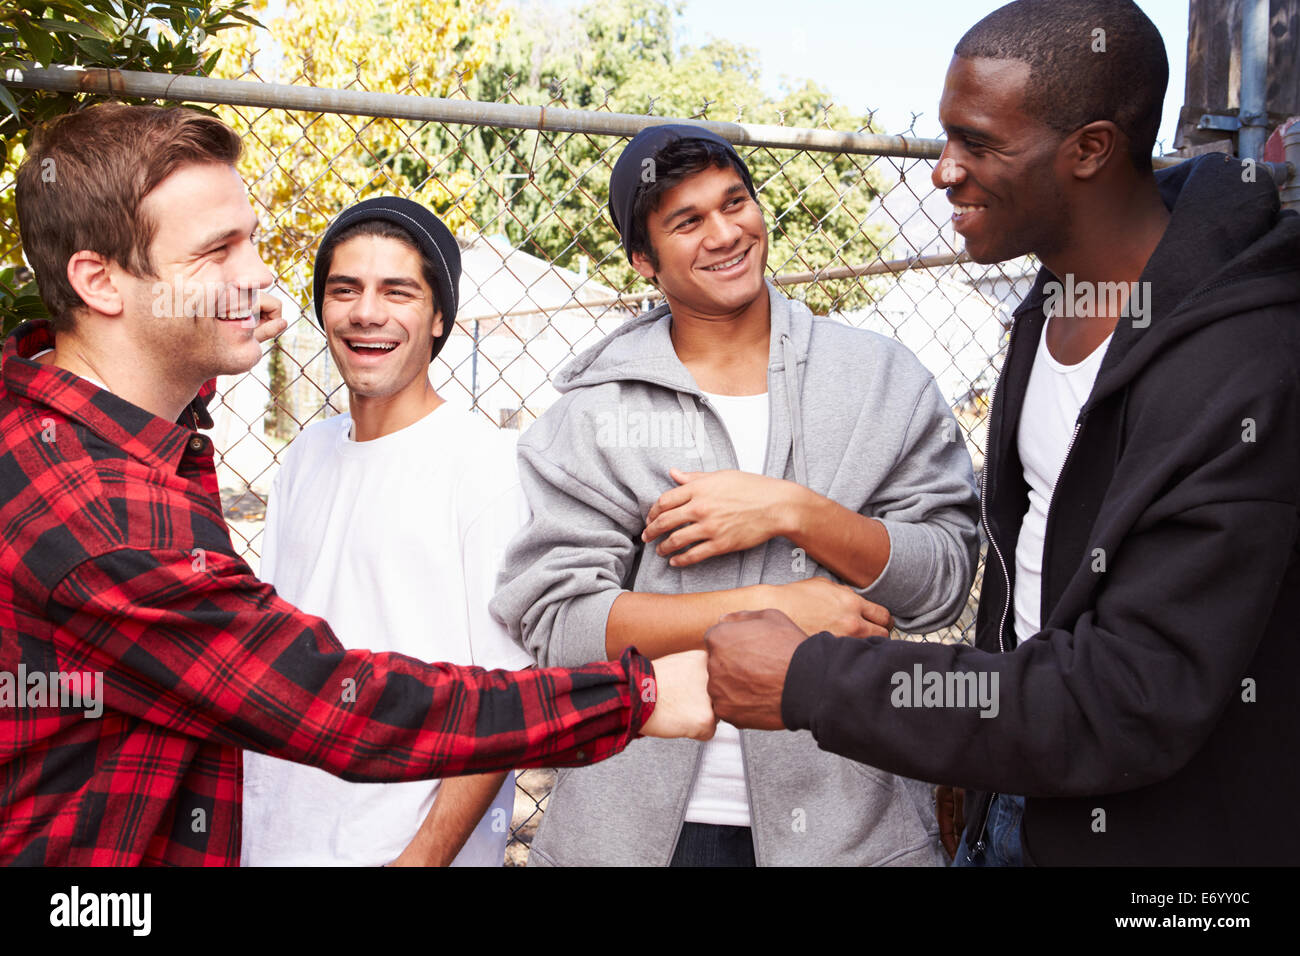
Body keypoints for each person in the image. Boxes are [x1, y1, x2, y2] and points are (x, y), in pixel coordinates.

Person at [0, 102, 714, 866]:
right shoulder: (101, 511)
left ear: (442, 316)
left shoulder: (84, 429)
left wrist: (214, 324)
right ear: (99, 281)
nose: (257, 276)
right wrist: (634, 696)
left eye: (252, 241)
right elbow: (329, 700)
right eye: (217, 252)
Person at [703, 0, 1300, 866]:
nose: (943, 170)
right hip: (1022, 797)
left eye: (978, 142)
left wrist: (813, 681)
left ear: (1090, 149)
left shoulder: (1246, 360)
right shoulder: (1052, 302)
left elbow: (1132, 695)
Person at [490, 124, 979, 866]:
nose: (725, 234)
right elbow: (560, 625)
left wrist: (792, 510)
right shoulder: (594, 415)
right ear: (643, 261)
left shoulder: (881, 378)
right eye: (687, 222)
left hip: (850, 829)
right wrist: (780, 610)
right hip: (635, 835)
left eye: (735, 202)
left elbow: (940, 583)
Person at [240, 197, 538, 867]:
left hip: (395, 850)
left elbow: (507, 698)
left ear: (438, 317)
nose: (365, 312)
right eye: (344, 290)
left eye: (396, 291)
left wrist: (421, 861)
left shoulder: (487, 467)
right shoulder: (305, 454)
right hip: (275, 838)